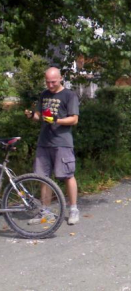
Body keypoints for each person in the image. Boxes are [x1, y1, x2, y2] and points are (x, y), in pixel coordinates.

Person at [25, 67, 80, 224]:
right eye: (47, 82)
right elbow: (39, 116)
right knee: (43, 178)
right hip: (44, 142)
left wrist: (56, 120)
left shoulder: (69, 95)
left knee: (68, 175)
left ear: (60, 78)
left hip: (62, 142)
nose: (50, 85)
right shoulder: (44, 94)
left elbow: (74, 119)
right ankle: (45, 212)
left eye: (53, 82)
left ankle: (73, 210)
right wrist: (31, 115)